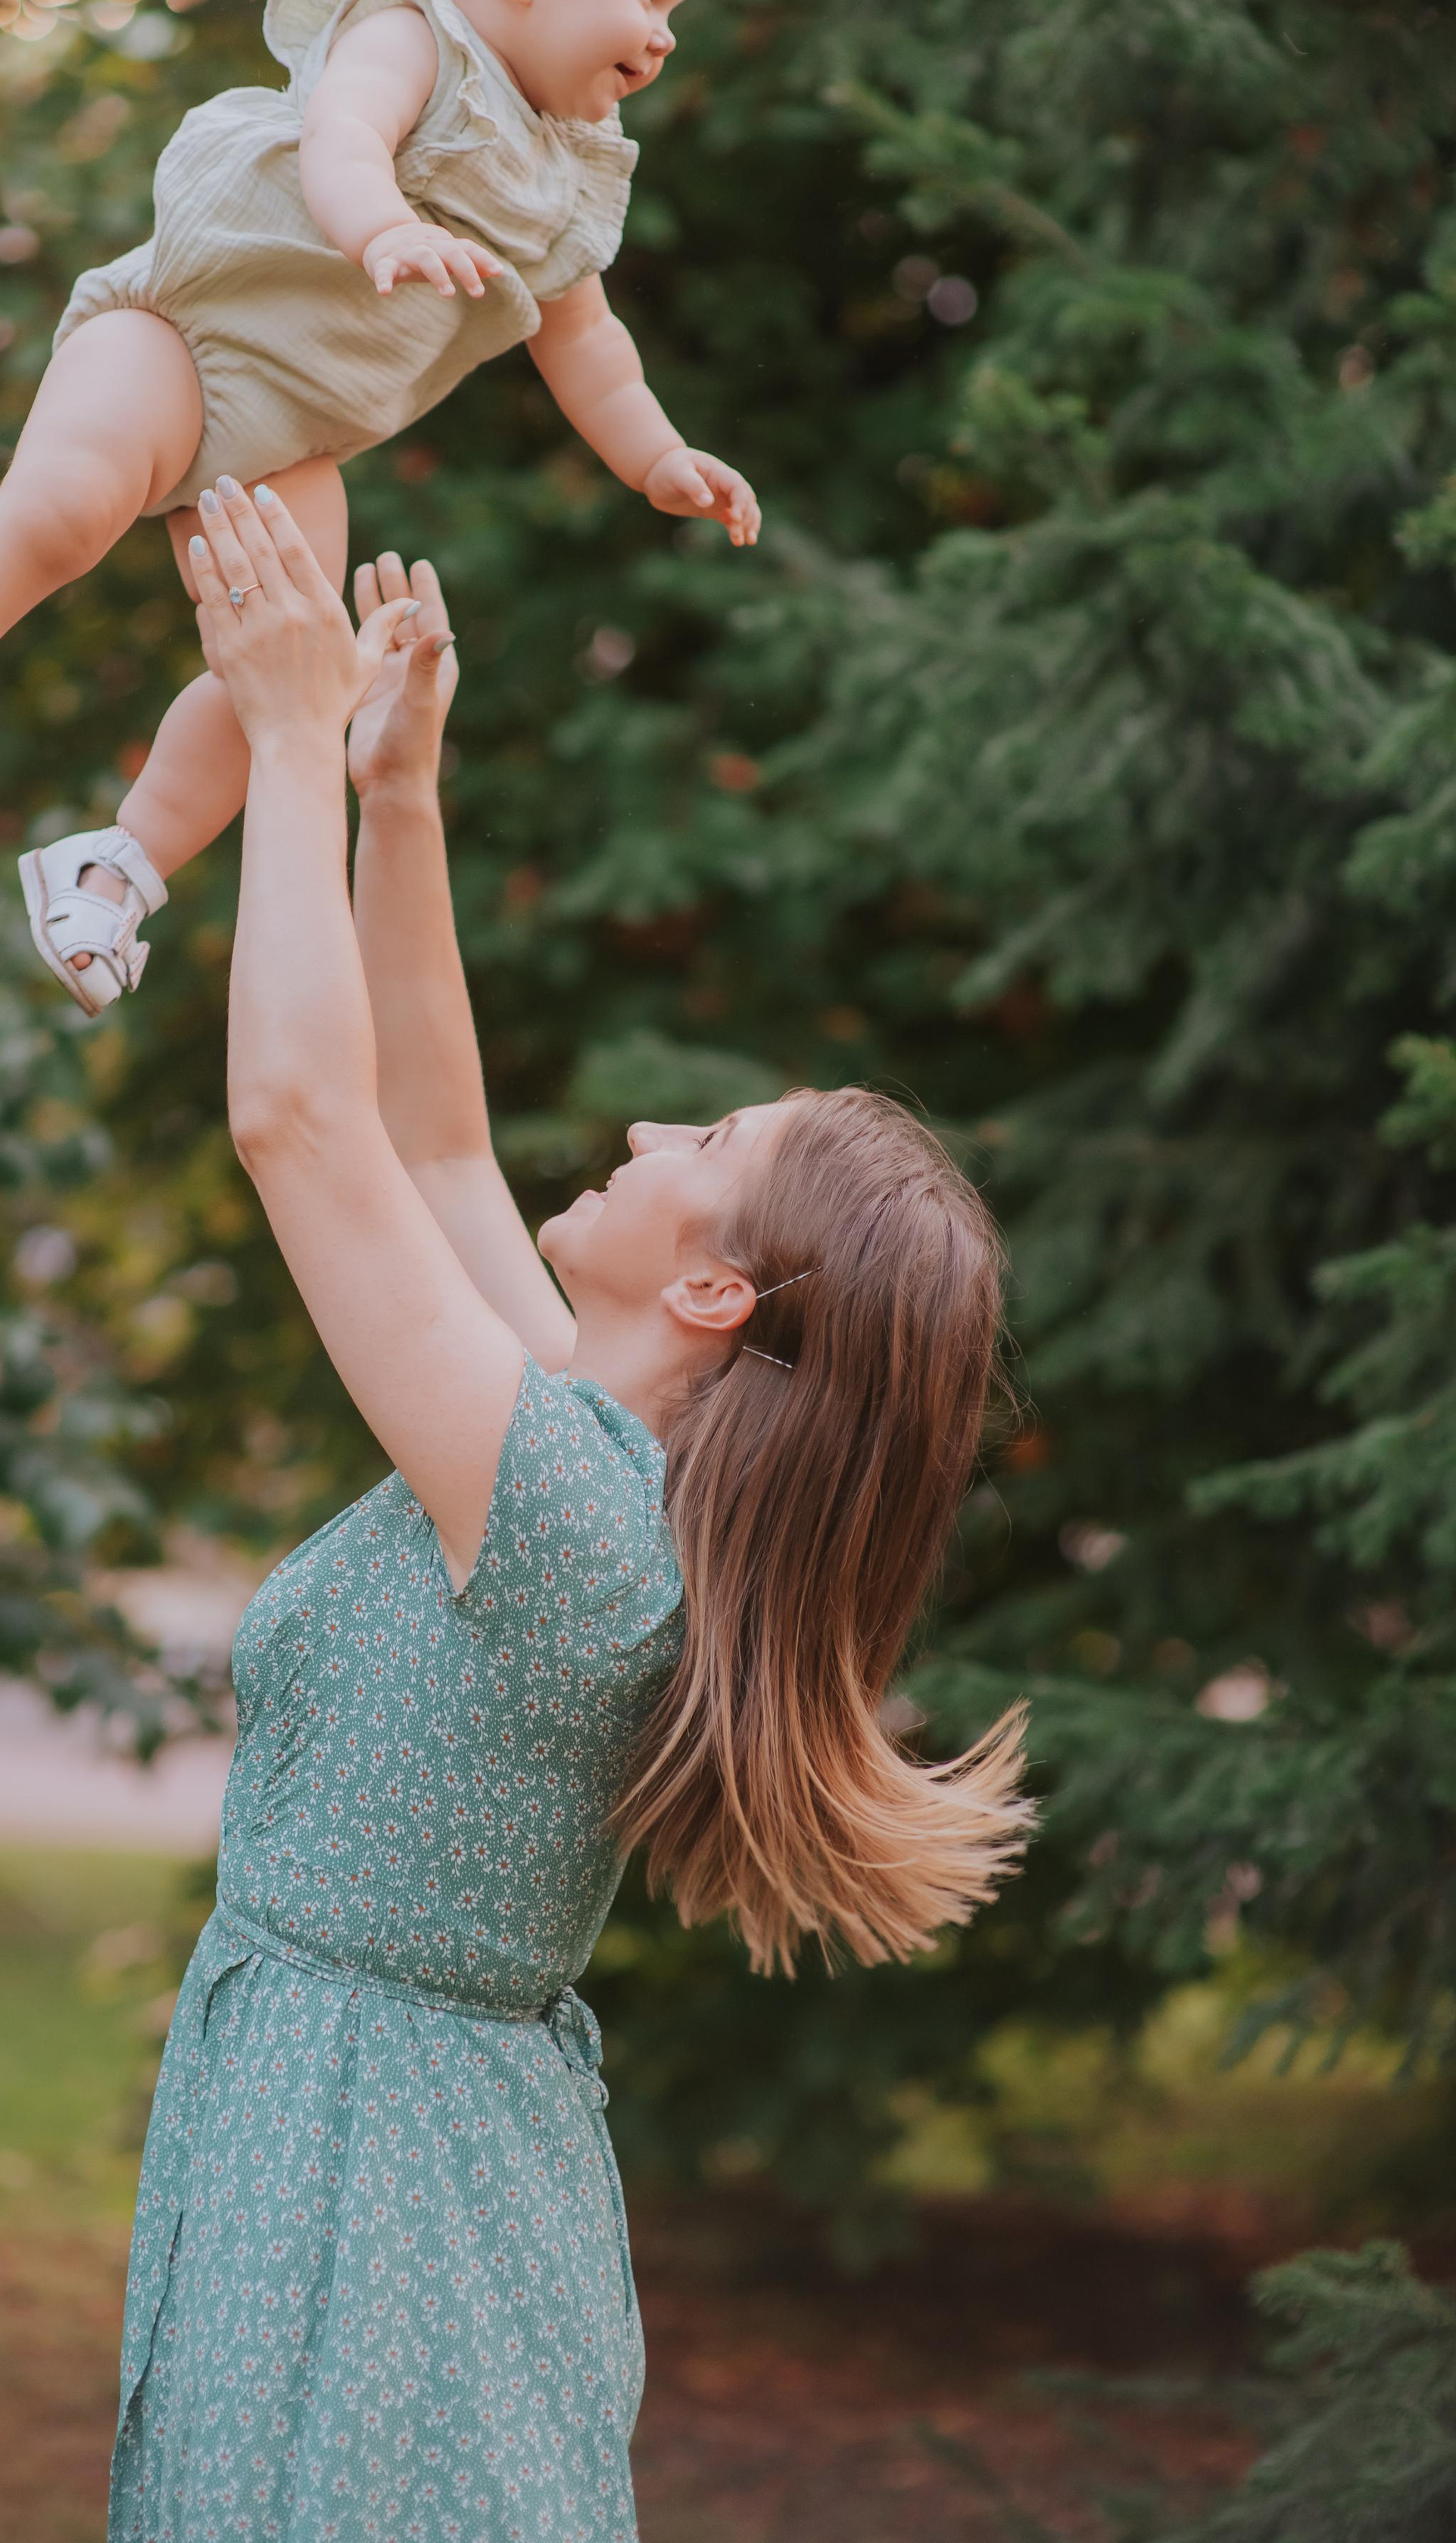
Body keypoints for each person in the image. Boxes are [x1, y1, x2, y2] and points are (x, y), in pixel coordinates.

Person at [103, 473, 1030, 2541]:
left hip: (376, 2185)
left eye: (700, 1134)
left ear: (712, 1291)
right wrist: (398, 798)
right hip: (386, 2139)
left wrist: (272, 735)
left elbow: (298, 1119)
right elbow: (433, 1140)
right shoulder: (587, 1469)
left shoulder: (569, 1525)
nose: (634, 1121)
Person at [0, 0, 759, 1015]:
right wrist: (385, 225)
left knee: (296, 676)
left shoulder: (567, 182)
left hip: (296, 442)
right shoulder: (417, 34)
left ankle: (114, 870)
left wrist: (658, 457)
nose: (667, 33)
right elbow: (341, 139)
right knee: (69, 509)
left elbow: (590, 344)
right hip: (180, 339)